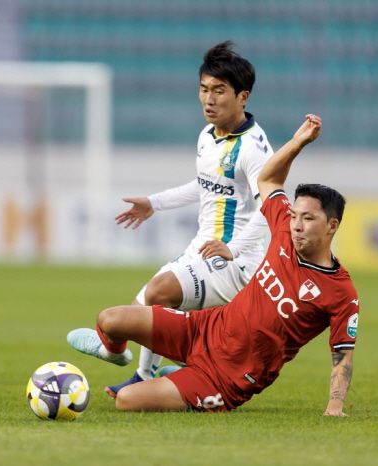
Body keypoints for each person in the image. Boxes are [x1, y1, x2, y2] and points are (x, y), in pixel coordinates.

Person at [67, 114, 361, 415]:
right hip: (203, 329)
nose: (296, 225)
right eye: (295, 216)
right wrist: (297, 143)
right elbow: (269, 179)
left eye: (308, 218)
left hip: (229, 375)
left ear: (332, 225)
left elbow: (342, 354)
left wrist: (334, 406)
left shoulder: (341, 293)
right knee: (110, 319)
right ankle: (126, 356)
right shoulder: (284, 231)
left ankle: (186, 383)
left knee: (127, 400)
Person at [104, 41, 274, 396]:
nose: (208, 99)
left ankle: (150, 375)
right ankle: (187, 362)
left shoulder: (253, 150)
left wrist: (232, 248)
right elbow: (206, 184)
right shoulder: (208, 136)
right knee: (136, 312)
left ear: (242, 97)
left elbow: (271, 209)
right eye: (204, 89)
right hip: (203, 249)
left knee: (158, 292)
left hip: (238, 262)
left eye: (219, 91)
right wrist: (154, 202)